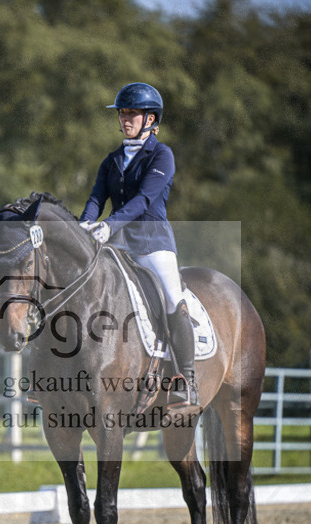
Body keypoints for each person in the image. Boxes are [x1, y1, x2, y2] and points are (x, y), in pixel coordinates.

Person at [79, 82, 198, 413]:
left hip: (152, 243)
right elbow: (95, 199)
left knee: (175, 299)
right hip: (116, 244)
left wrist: (109, 225)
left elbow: (144, 200)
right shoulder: (112, 159)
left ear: (151, 119)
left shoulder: (162, 155)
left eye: (132, 113)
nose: (125, 118)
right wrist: (84, 225)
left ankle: (185, 381)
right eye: (123, 112)